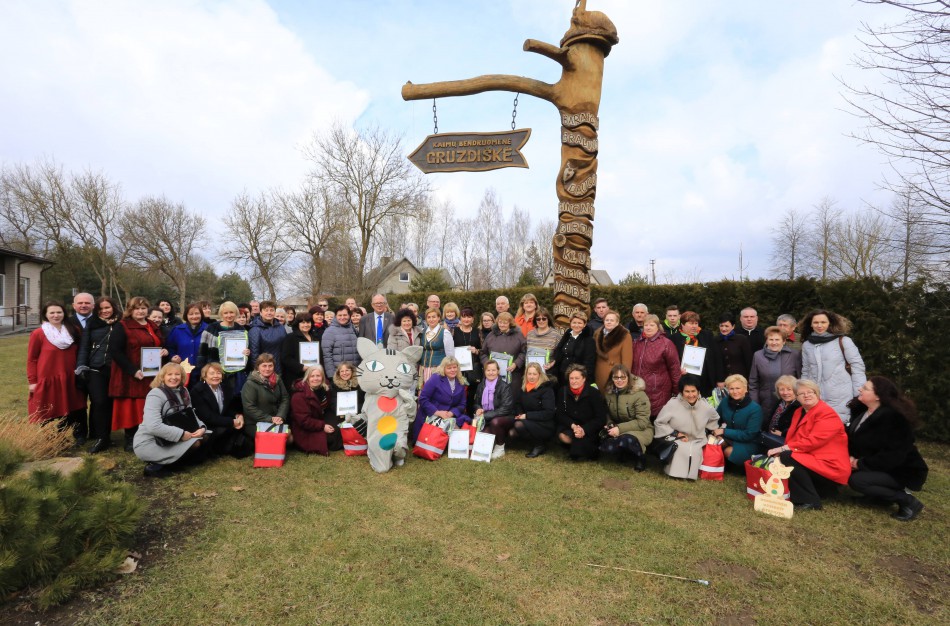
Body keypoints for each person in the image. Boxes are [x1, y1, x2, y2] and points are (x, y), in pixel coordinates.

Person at [847, 376, 928, 521]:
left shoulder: (895, 419)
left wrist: (858, 463)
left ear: (878, 396)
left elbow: (894, 455)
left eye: (865, 388)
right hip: (881, 466)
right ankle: (877, 498)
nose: (860, 389)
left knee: (857, 480)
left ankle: (907, 501)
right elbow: (855, 440)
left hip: (902, 470)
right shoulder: (861, 411)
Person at [766, 379, 851, 510]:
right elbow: (793, 438)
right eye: (801, 393)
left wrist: (783, 448)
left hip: (830, 466)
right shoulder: (799, 411)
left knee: (788, 456)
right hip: (813, 460)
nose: (806, 395)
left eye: (810, 392)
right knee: (786, 456)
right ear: (797, 397)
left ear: (817, 394)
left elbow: (813, 441)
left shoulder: (826, 413)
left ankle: (811, 501)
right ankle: (818, 491)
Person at [110, 297, 168, 452]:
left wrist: (164, 350)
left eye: (143, 308)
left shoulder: (151, 325)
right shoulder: (122, 326)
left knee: (149, 405)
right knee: (132, 407)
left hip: (151, 373)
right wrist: (132, 370)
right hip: (131, 374)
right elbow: (115, 351)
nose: (140, 311)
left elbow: (159, 343)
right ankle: (130, 438)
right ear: (130, 310)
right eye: (137, 308)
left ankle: (149, 436)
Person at [134, 362, 209, 478]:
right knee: (196, 443)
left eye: (177, 374)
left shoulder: (184, 391)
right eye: (169, 374)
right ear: (162, 377)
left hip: (172, 436)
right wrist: (181, 434)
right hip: (152, 440)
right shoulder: (155, 394)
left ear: (182, 377)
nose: (174, 377)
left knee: (205, 436)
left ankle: (175, 461)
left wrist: (202, 428)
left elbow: (190, 414)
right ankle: (155, 466)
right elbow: (153, 426)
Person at [800, 309, 866, 424]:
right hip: (815, 397)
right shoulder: (807, 345)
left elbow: (857, 367)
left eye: (823, 322)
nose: (819, 325)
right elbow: (806, 370)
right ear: (811, 324)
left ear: (829, 323)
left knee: (838, 428)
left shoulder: (844, 341)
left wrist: (858, 394)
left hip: (841, 396)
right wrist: (803, 391)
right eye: (816, 322)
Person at [27, 301, 85, 426]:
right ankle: (50, 438)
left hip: (70, 375)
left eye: (59, 312)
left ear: (64, 313)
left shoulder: (74, 330)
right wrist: (32, 381)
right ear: (45, 315)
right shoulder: (38, 333)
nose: (56, 315)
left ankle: (74, 434)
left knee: (72, 408)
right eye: (52, 312)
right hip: (48, 377)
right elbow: (32, 359)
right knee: (48, 409)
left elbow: (81, 352)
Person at [76, 296, 122, 453]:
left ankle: (107, 434)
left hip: (116, 369)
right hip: (96, 368)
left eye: (107, 308)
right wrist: (81, 365)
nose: (104, 311)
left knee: (111, 403)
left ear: (114, 308)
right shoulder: (92, 323)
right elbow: (84, 347)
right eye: (101, 309)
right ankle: (102, 437)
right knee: (99, 402)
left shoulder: (121, 323)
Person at [654, 376, 720, 480]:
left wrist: (708, 431)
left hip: (698, 440)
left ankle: (691, 474)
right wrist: (675, 433)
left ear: (698, 391)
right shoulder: (672, 404)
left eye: (693, 391)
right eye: (687, 391)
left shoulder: (705, 406)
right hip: (676, 438)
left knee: (694, 451)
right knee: (681, 450)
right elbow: (659, 423)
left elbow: (715, 419)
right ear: (681, 392)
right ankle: (676, 474)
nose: (691, 395)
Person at [191, 362, 253, 458]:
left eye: (218, 373)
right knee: (228, 428)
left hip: (220, 422)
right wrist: (232, 422)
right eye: (212, 373)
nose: (216, 376)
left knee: (242, 425)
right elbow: (207, 417)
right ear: (204, 376)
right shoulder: (197, 391)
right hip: (206, 426)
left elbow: (226, 409)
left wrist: (237, 415)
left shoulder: (225, 388)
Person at [599, 364, 652, 471]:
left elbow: (642, 422)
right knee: (603, 440)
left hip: (642, 429)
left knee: (626, 439)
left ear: (629, 378)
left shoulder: (639, 395)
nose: (619, 380)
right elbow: (607, 412)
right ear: (612, 378)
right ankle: (623, 452)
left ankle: (640, 458)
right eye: (616, 377)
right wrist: (610, 423)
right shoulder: (609, 393)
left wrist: (619, 428)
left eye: (623, 377)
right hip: (619, 427)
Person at [631, 314, 681, 418]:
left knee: (658, 420)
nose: (648, 327)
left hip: (658, 390)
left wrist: (677, 391)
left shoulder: (666, 344)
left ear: (657, 327)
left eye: (651, 325)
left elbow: (674, 369)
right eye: (646, 325)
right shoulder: (636, 343)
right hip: (638, 390)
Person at [198, 301, 251, 398]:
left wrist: (247, 352)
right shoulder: (211, 328)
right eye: (225, 313)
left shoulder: (242, 330)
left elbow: (245, 349)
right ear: (221, 314)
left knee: (233, 398)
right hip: (214, 371)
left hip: (235, 372)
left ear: (236, 313)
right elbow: (202, 352)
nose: (229, 315)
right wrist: (202, 371)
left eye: (231, 312)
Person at [556, 364, 607, 461]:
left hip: (589, 428)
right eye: (571, 378)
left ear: (584, 379)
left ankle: (581, 449)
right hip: (571, 426)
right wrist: (573, 426)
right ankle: (577, 447)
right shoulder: (563, 391)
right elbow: (560, 414)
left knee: (577, 455)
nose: (574, 381)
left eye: (577, 378)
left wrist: (584, 429)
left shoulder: (594, 393)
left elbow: (600, 418)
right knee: (563, 437)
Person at [748, 326, 802, 417]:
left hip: (789, 399)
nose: (774, 342)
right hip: (765, 401)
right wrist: (754, 402)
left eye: (777, 339)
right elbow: (753, 381)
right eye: (771, 339)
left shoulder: (794, 355)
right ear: (766, 340)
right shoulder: (758, 355)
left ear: (784, 341)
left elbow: (800, 378)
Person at [712, 374, 763, 466]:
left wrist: (724, 431)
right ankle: (716, 464)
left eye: (738, 388)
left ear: (745, 389)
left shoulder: (755, 409)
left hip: (749, 443)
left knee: (728, 451)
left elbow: (749, 435)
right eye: (731, 388)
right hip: (731, 438)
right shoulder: (725, 402)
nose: (735, 391)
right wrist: (712, 430)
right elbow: (716, 419)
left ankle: (736, 466)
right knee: (715, 441)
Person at [413, 356, 469, 438]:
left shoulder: (460, 381)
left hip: (449, 415)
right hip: (432, 415)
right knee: (454, 431)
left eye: (454, 367)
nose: (453, 370)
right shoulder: (435, 378)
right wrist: (438, 412)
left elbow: (462, 404)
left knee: (463, 430)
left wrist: (452, 413)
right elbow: (423, 398)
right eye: (449, 368)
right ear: (443, 368)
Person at [669, 311, 722, 398]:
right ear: (682, 324)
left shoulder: (707, 336)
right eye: (690, 323)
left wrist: (720, 379)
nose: (694, 326)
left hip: (705, 379)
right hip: (685, 379)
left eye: (696, 323)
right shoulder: (673, 339)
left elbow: (717, 357)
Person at [510, 362, 557, 458]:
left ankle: (540, 445)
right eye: (529, 374)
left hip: (544, 424)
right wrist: (520, 414)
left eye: (534, 374)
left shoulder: (547, 390)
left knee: (518, 425)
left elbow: (548, 413)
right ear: (526, 375)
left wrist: (526, 416)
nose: (531, 377)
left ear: (540, 375)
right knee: (511, 433)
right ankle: (532, 441)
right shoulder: (524, 388)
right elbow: (518, 404)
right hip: (528, 420)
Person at [240, 354, 290, 441]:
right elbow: (249, 407)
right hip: (255, 423)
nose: (267, 369)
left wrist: (280, 416)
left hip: (276, 421)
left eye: (270, 365)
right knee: (277, 440)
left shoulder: (278, 379)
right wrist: (270, 419)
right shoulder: (250, 384)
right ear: (257, 367)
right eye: (264, 366)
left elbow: (285, 398)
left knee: (289, 438)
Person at [290, 365, 338, 455]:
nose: (315, 379)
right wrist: (322, 426)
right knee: (330, 438)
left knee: (337, 429)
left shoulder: (325, 388)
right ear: (307, 378)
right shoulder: (298, 395)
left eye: (318, 376)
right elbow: (304, 420)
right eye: (312, 376)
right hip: (305, 427)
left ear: (322, 377)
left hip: (321, 418)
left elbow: (327, 409)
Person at [474, 360, 515, 459]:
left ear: (498, 371)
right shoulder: (481, 386)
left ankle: (500, 447)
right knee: (484, 435)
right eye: (488, 370)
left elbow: (506, 408)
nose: (491, 373)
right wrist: (478, 409)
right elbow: (476, 403)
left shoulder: (505, 386)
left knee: (495, 422)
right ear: (484, 371)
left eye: (493, 370)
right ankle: (494, 441)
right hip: (487, 417)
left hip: (504, 417)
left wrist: (486, 415)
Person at [480, 312, 526, 393]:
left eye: (505, 323)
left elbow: (524, 352)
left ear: (510, 323)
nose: (502, 325)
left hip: (512, 374)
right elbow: (483, 353)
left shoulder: (518, 335)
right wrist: (488, 364)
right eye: (500, 322)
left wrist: (516, 364)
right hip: (492, 374)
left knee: (511, 398)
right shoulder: (491, 335)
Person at [165, 303, 208, 387]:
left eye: (197, 313)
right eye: (191, 314)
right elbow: (170, 347)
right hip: (183, 372)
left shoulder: (209, 329)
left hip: (203, 372)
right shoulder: (178, 330)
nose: (194, 316)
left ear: (201, 314)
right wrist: (172, 356)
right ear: (186, 316)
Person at [552, 311, 596, 388]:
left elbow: (589, 363)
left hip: (577, 377)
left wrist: (586, 378)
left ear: (584, 324)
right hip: (562, 375)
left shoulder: (589, 340)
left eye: (580, 323)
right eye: (574, 322)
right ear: (570, 323)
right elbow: (559, 350)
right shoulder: (568, 335)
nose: (576, 325)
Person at [453, 307, 483, 415]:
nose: (466, 319)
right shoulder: (454, 331)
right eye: (464, 317)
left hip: (473, 369)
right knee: (457, 393)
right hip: (457, 369)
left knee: (471, 395)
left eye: (469, 317)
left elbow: (484, 350)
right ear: (460, 318)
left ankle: (470, 418)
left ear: (473, 319)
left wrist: (476, 351)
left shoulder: (477, 332)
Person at [592, 309, 632, 391]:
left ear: (617, 323)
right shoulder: (597, 333)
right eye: (607, 320)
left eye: (612, 320)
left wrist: (623, 377)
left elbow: (627, 360)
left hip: (615, 374)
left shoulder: (624, 335)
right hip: (598, 373)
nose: (609, 322)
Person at [249, 301, 288, 374]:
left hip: (282, 368)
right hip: (265, 370)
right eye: (266, 310)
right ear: (260, 312)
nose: (269, 313)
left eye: (272, 310)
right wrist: (258, 371)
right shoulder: (255, 329)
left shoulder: (281, 328)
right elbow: (254, 355)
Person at [419, 307, 455, 385]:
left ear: (439, 318)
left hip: (438, 368)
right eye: (429, 317)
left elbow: (450, 354)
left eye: (434, 317)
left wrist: (449, 368)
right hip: (424, 367)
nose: (431, 319)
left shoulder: (445, 333)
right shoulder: (423, 332)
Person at [322, 305, 360, 378]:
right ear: (335, 316)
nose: (342, 317)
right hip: (340, 374)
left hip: (355, 372)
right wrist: (331, 375)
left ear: (349, 315)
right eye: (340, 315)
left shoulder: (352, 328)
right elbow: (327, 355)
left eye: (345, 315)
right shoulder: (329, 331)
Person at [282, 313, 318, 390]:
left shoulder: (315, 338)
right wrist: (301, 367)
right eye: (303, 322)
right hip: (296, 377)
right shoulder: (290, 338)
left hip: (313, 375)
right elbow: (286, 358)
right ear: (298, 324)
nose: (306, 325)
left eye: (308, 322)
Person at [525, 306, 562, 380]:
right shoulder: (530, 334)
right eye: (538, 319)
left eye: (544, 318)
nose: (541, 321)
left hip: (548, 375)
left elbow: (560, 354)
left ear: (548, 319)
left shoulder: (555, 335)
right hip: (531, 376)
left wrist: (552, 364)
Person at [763, 375, 800, 443]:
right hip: (771, 438)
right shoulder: (780, 402)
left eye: (789, 389)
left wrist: (782, 434)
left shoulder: (799, 406)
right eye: (782, 389)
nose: (785, 393)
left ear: (795, 390)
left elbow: (799, 430)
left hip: (786, 442)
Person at [716, 312, 752, 379]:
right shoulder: (715, 340)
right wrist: (719, 379)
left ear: (733, 326)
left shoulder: (742, 339)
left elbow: (748, 361)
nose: (723, 329)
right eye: (721, 326)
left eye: (726, 326)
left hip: (741, 379)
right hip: (723, 381)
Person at [329, 361, 363, 428]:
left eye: (347, 370)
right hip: (340, 416)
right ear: (338, 373)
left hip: (357, 414)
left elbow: (362, 401)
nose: (344, 373)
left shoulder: (360, 384)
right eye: (342, 371)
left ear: (352, 371)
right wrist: (342, 411)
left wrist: (355, 411)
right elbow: (333, 402)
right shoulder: (334, 385)